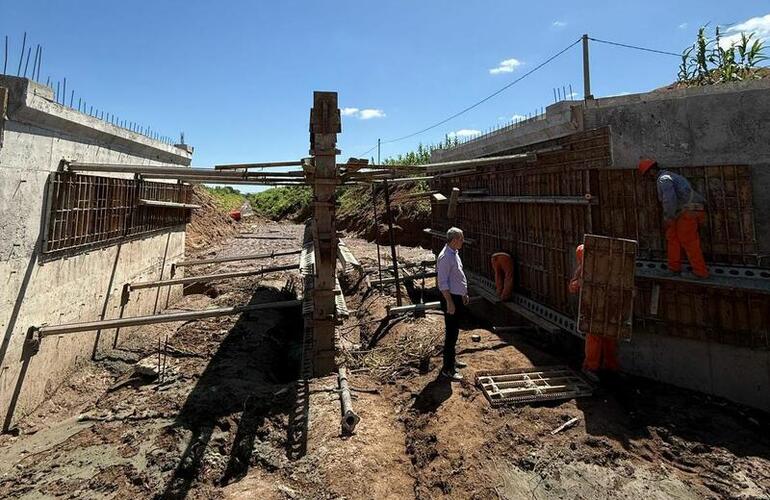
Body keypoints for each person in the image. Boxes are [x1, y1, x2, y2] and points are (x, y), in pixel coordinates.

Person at [638, 159, 709, 278]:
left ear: (650, 172)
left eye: (647, 175)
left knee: (688, 240)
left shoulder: (663, 179)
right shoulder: (669, 176)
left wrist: (668, 217)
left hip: (688, 211)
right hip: (683, 211)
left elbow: (669, 200)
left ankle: (700, 272)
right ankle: (674, 268)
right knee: (672, 238)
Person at [569, 244, 619, 382]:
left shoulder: (606, 267)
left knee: (609, 337)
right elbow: (572, 287)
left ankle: (610, 366)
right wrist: (578, 283)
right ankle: (590, 367)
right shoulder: (581, 270)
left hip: (607, 307)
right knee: (594, 338)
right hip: (592, 308)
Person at [436, 227, 470, 381]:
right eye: (461, 239)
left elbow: (458, 277)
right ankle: (448, 369)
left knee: (455, 331)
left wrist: (464, 293)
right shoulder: (445, 257)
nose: (463, 241)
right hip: (450, 299)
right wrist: (450, 302)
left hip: (457, 297)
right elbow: (442, 283)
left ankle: (452, 360)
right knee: (451, 333)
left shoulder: (454, 254)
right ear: (454, 240)